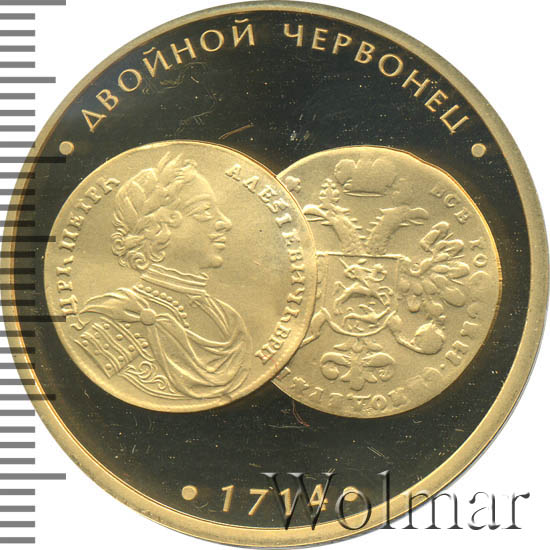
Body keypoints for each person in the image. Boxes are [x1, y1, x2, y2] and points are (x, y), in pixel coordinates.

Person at [74, 153, 251, 402]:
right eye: (205, 211)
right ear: (158, 228)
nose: (225, 222)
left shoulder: (229, 320)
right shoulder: (113, 319)